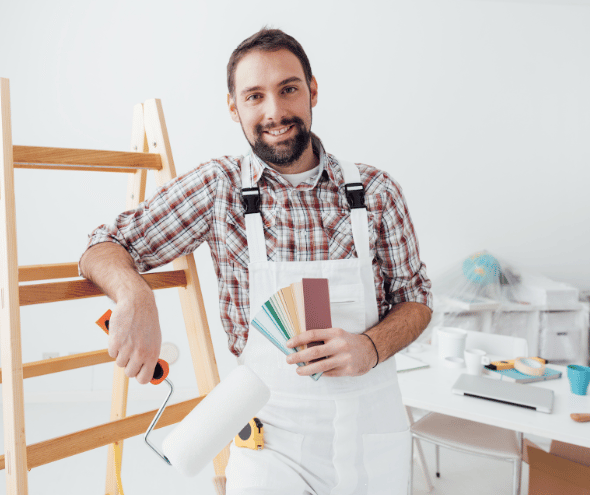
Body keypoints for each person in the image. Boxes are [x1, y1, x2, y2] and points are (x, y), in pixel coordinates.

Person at [79, 27, 432, 495]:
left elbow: (417, 300)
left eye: (288, 89)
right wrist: (133, 292)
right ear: (233, 107)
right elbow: (104, 244)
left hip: (372, 435)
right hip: (270, 443)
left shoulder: (377, 192)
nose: (274, 112)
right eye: (254, 96)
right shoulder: (219, 188)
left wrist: (370, 346)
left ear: (313, 91)